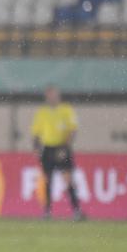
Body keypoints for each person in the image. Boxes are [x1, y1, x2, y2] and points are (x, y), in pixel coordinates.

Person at [30, 85, 85, 221]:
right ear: (47, 96)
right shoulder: (42, 112)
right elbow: (36, 133)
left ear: (58, 95)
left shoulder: (66, 110)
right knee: (48, 180)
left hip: (62, 147)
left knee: (67, 179)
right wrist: (36, 148)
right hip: (47, 148)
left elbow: (72, 130)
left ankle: (76, 211)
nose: (52, 97)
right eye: (49, 95)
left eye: (54, 94)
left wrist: (65, 148)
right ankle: (47, 212)